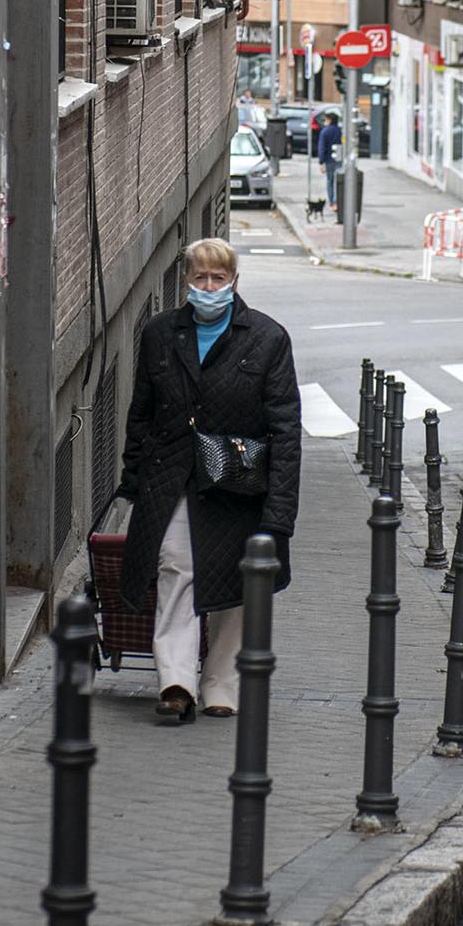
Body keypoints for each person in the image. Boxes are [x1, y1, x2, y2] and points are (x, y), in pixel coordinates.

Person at [114, 237, 301, 722]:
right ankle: (176, 681)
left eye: (218, 279)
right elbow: (142, 413)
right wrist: (133, 479)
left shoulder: (267, 338)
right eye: (200, 278)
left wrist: (280, 512)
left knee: (234, 583)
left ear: (234, 282)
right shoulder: (160, 333)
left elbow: (285, 428)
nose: (209, 286)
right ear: (187, 281)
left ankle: (221, 684)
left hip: (237, 483)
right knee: (177, 566)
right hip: (172, 477)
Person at [315, 111, 343, 210]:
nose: (324, 122)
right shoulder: (340, 131)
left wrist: (321, 162)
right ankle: (337, 201)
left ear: (330, 120)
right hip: (339, 157)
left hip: (328, 159)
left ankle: (332, 203)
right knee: (338, 181)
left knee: (330, 181)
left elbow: (322, 148)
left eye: (326, 120)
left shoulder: (325, 132)